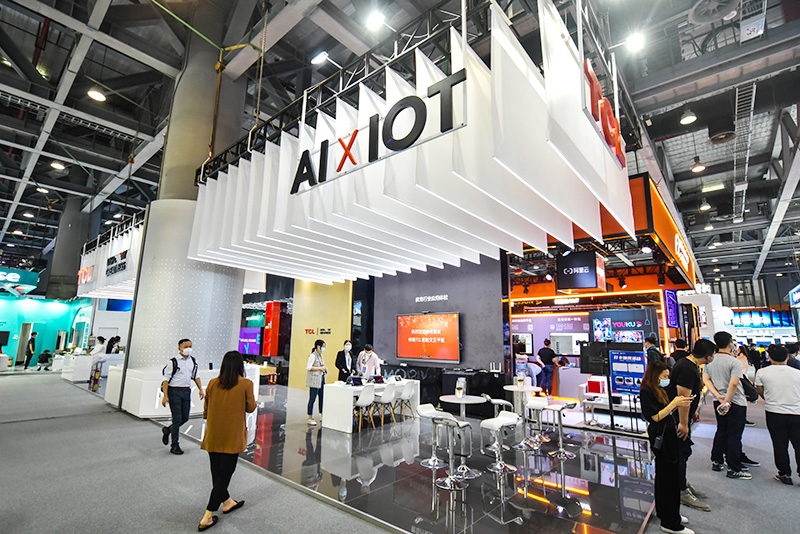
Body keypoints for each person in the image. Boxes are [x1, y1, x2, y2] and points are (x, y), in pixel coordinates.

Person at [198, 350, 256, 531]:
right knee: (225, 475)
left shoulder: (213, 383)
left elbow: (206, 408)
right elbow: (251, 407)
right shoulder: (246, 384)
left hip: (214, 433)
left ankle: (228, 502)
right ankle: (208, 515)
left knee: (217, 473)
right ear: (240, 366)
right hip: (232, 435)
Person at [640, 360, 694, 534]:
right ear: (655, 375)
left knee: (666, 476)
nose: (666, 379)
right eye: (664, 376)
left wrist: (679, 404)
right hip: (660, 436)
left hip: (668, 433)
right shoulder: (646, 391)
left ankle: (667, 513)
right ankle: (670, 522)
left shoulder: (658, 389)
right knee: (669, 478)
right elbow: (654, 417)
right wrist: (674, 404)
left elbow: (665, 412)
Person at [667, 339, 715, 511]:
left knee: (683, 453)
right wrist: (683, 423)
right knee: (681, 452)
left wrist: (693, 412)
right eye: (712, 355)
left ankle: (682, 483)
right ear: (708, 356)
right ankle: (680, 490)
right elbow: (683, 398)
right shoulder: (687, 368)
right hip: (676, 419)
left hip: (682, 416)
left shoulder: (688, 364)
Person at [703, 331, 759, 480]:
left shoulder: (710, 360)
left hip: (718, 401)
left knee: (721, 430)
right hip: (735, 402)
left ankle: (717, 460)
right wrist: (727, 401)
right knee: (734, 434)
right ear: (730, 344)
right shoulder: (734, 362)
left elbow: (706, 380)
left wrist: (718, 396)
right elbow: (734, 384)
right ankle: (734, 467)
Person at [755, 345, 800, 485]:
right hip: (797, 412)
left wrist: (771, 399)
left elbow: (760, 391)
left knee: (779, 444)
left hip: (774, 412)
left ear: (769, 357)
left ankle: (784, 473)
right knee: (799, 444)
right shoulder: (797, 373)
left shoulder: (762, 372)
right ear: (787, 357)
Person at [161, 339, 204, 455]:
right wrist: (165, 396)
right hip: (174, 391)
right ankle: (175, 445)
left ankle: (168, 430)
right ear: (179, 348)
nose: (188, 348)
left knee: (185, 417)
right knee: (177, 419)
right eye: (186, 346)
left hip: (186, 391)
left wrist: (200, 389)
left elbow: (196, 376)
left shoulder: (193, 361)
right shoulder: (173, 362)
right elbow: (166, 380)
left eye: (190, 346)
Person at [306, 339, 327, 426]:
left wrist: (324, 369)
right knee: (312, 399)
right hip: (314, 380)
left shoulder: (320, 355)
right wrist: (320, 368)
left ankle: (322, 414)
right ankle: (310, 417)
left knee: (321, 398)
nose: (324, 348)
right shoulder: (313, 355)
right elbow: (309, 367)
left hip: (321, 378)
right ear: (318, 346)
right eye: (323, 346)